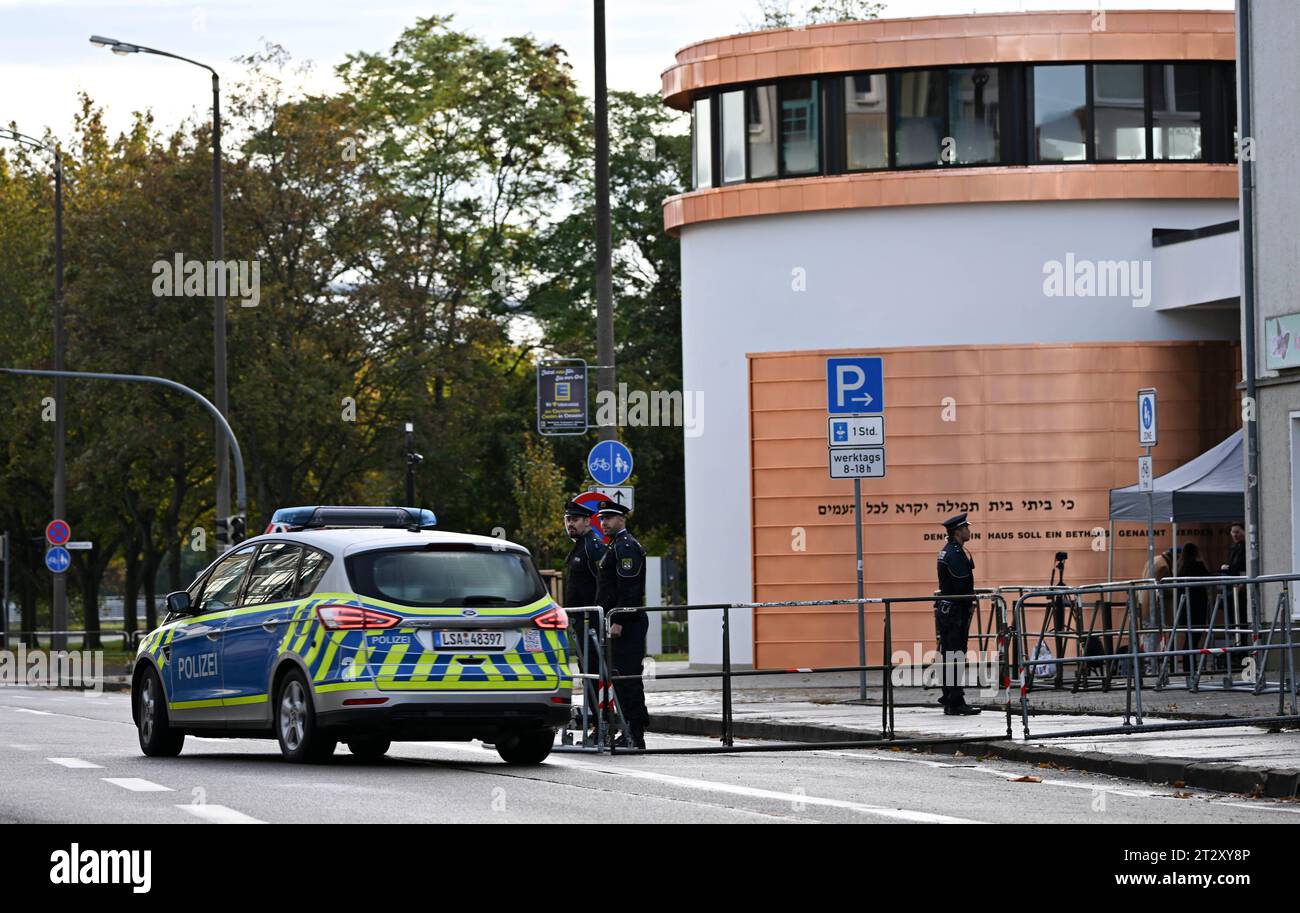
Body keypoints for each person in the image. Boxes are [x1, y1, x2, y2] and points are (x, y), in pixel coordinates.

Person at [594, 500, 649, 748]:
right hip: (617, 621)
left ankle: (635, 733)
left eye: (609, 518)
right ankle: (628, 730)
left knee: (628, 678)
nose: (603, 523)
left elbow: (630, 589)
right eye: (602, 518)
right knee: (620, 677)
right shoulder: (615, 546)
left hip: (627, 623)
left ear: (622, 519)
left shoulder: (626, 547)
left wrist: (619, 620)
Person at [562, 497, 608, 734]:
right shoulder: (579, 545)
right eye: (568, 519)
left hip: (592, 621)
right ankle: (595, 720)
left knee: (596, 670)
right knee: (587, 671)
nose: (571, 524)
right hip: (580, 621)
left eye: (576, 519)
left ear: (588, 521)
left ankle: (603, 722)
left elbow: (603, 585)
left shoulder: (593, 546)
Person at [935, 513, 980, 715]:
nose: (969, 531)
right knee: (955, 655)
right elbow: (962, 584)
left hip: (949, 610)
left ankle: (950, 697)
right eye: (966, 528)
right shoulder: (954, 554)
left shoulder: (950, 551)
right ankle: (955, 700)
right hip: (955, 612)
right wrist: (970, 602)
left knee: (949, 654)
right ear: (958, 531)